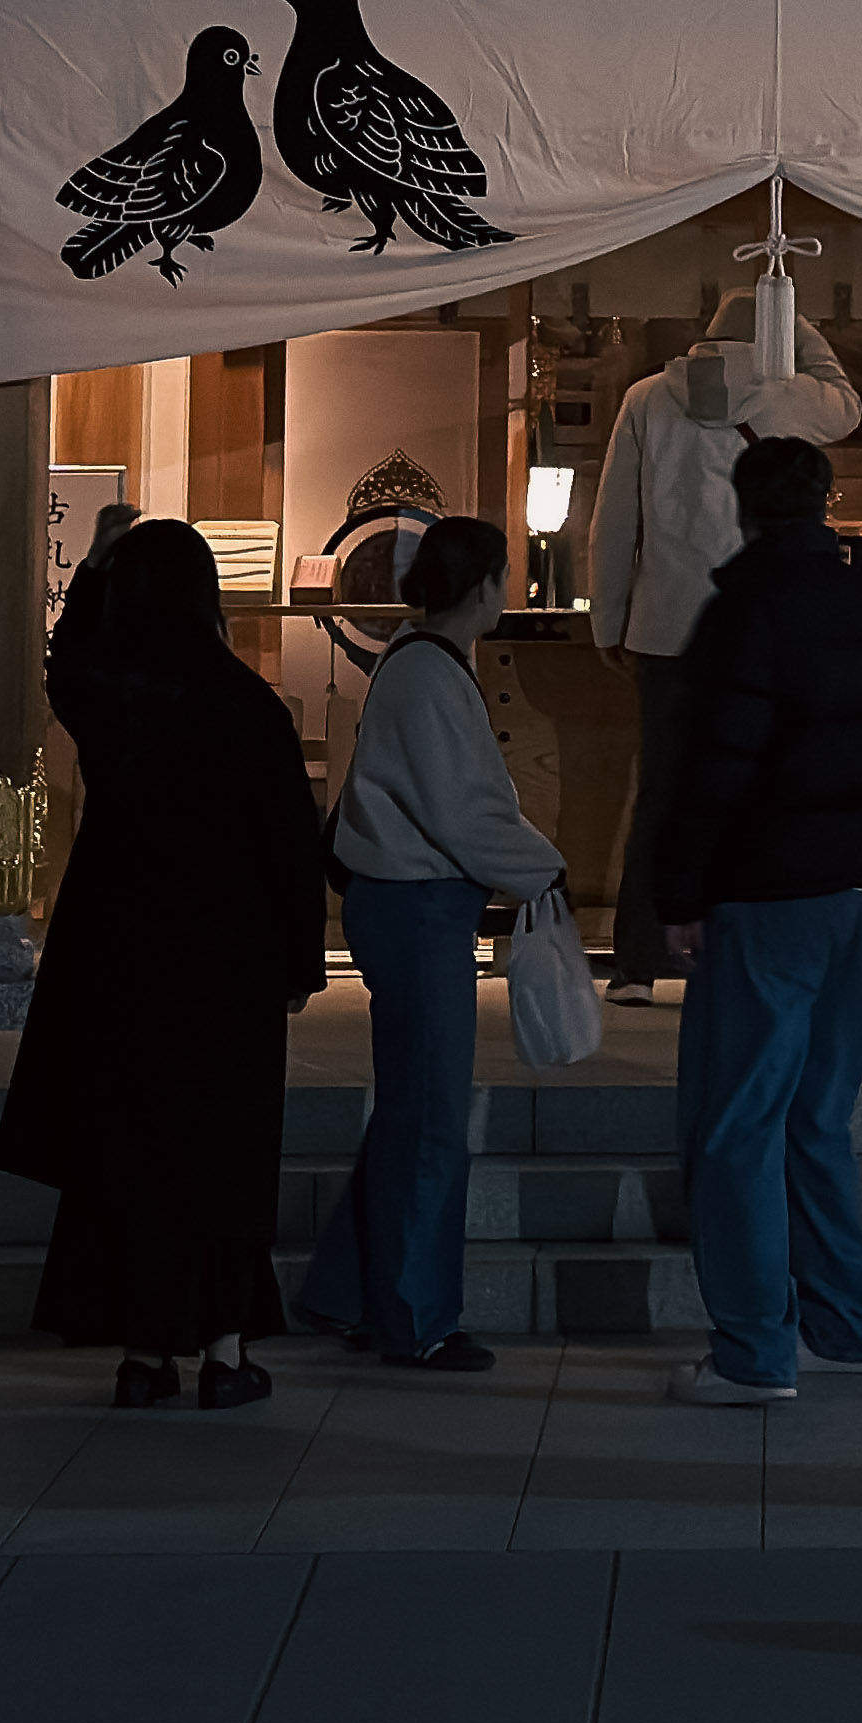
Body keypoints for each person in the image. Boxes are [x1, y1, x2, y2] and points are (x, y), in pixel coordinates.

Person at [0, 512, 319, 1409]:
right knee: (218, 1156)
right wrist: (302, 959)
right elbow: (290, 844)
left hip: (119, 950)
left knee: (130, 1150)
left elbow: (64, 662)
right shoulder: (250, 706)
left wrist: (91, 570)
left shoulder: (114, 697)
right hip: (228, 960)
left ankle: (142, 1357)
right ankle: (223, 1351)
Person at [653, 434, 862, 1403]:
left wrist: (678, 892)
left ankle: (754, 1348)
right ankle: (849, 1325)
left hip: (770, 883)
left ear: (744, 503)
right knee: (816, 1116)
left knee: (735, 1121)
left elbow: (711, 764)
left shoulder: (746, 608)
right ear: (824, 502)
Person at [296, 510, 563, 1373]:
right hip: (416, 906)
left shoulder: (422, 664)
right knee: (432, 1117)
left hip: (408, 902)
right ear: (479, 584)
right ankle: (415, 1317)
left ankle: (349, 1290)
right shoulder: (429, 673)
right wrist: (545, 870)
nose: (507, 589)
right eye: (502, 574)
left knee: (410, 1110)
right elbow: (465, 810)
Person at [581, 287, 858, 1000]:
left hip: (665, 628)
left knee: (663, 792)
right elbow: (848, 403)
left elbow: (615, 520)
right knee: (757, 789)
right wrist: (793, 318)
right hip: (761, 625)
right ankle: (735, 956)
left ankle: (636, 965)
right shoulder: (788, 395)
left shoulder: (646, 397)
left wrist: (609, 622)